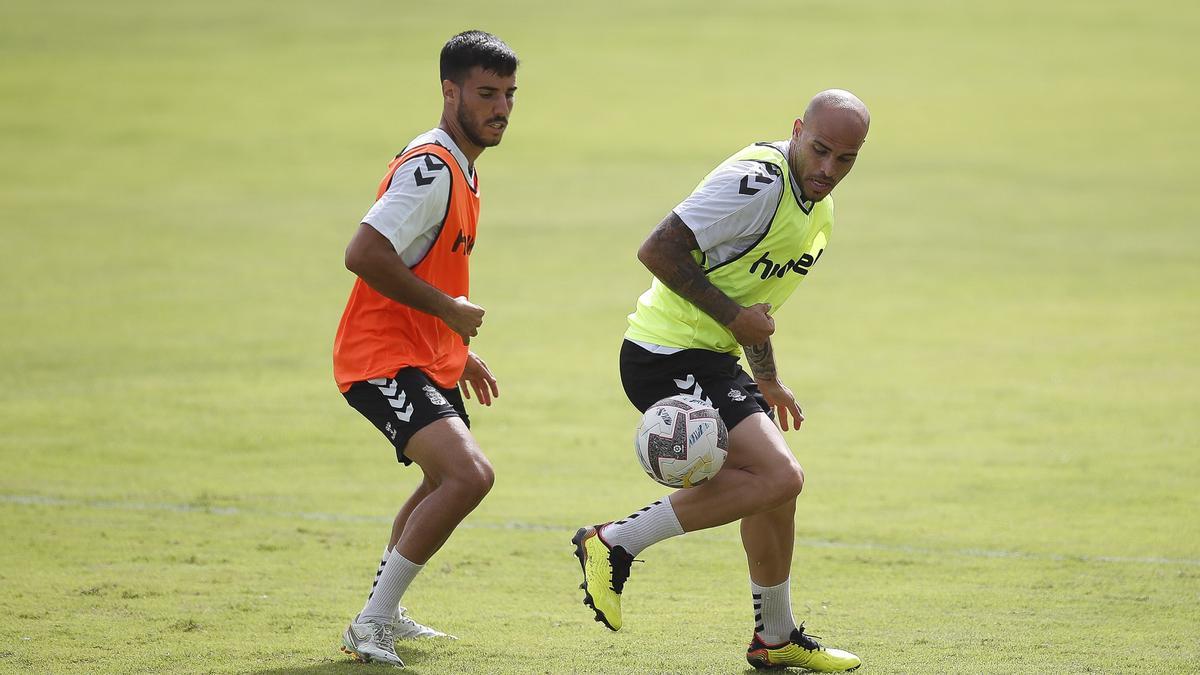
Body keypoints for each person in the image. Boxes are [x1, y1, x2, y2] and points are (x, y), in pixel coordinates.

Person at [572, 90, 870, 672]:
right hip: (663, 352)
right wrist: (735, 322)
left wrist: (768, 378)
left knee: (776, 486)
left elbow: (752, 302)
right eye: (820, 150)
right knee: (780, 474)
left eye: (846, 159)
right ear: (796, 131)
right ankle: (613, 542)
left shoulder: (820, 212)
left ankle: (775, 637)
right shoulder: (757, 180)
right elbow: (657, 249)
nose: (829, 170)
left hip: (711, 356)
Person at [332, 30, 517, 667]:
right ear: (449, 91)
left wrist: (453, 347)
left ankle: (387, 613)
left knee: (446, 476)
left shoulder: (462, 169)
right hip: (377, 358)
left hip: (419, 354)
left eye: (509, 95)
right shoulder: (430, 169)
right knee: (470, 475)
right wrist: (449, 313)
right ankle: (371, 623)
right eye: (486, 93)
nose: (500, 108)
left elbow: (424, 265)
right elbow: (363, 254)